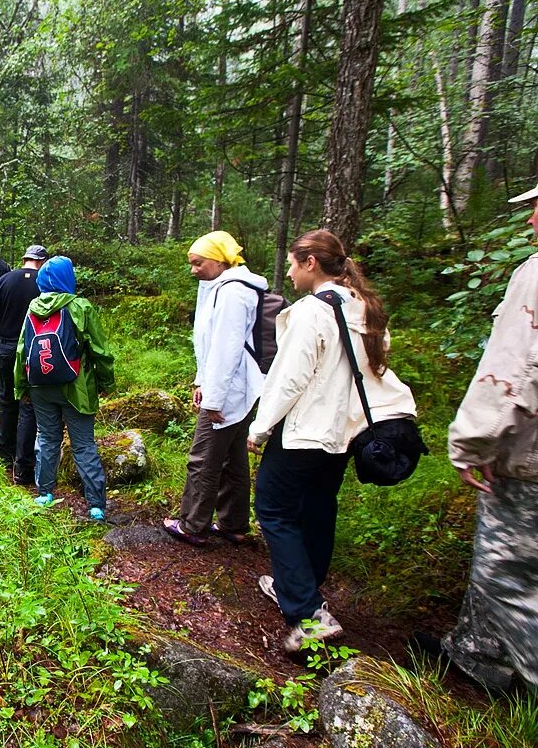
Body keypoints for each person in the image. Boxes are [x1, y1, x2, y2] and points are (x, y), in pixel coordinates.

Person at [247, 229, 417, 653]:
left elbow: (289, 380)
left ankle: (308, 614)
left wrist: (260, 428)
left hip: (305, 431)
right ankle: (299, 584)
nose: (288, 271)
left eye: (291, 262)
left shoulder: (310, 313)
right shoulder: (365, 308)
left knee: (273, 507)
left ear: (310, 263)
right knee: (318, 508)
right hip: (345, 433)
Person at [440, 183, 538, 695]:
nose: (531, 221)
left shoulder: (535, 276)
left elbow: (514, 373)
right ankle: (478, 653)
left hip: (526, 460)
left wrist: (473, 443)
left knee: (506, 574)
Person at [165, 231, 267, 546]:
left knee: (203, 457)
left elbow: (226, 350)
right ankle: (233, 523)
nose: (193, 270)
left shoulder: (233, 293)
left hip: (230, 391)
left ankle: (192, 524)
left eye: (198, 263)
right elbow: (209, 344)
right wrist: (201, 380)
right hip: (239, 389)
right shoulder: (223, 287)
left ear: (219, 259)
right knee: (233, 457)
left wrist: (213, 399)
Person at [16, 256, 115, 522]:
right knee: (83, 445)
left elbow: (22, 351)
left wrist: (21, 386)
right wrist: (106, 382)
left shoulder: (33, 308)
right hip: (76, 386)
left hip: (40, 386)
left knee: (47, 439)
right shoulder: (80, 306)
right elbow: (99, 351)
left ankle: (45, 493)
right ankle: (96, 505)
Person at [0, 244, 46, 483]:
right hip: (35, 348)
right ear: (42, 261)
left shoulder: (6, 279)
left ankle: (5, 455)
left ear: (25, 259)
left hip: (7, 347)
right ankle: (24, 465)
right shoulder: (46, 283)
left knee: (7, 401)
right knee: (29, 405)